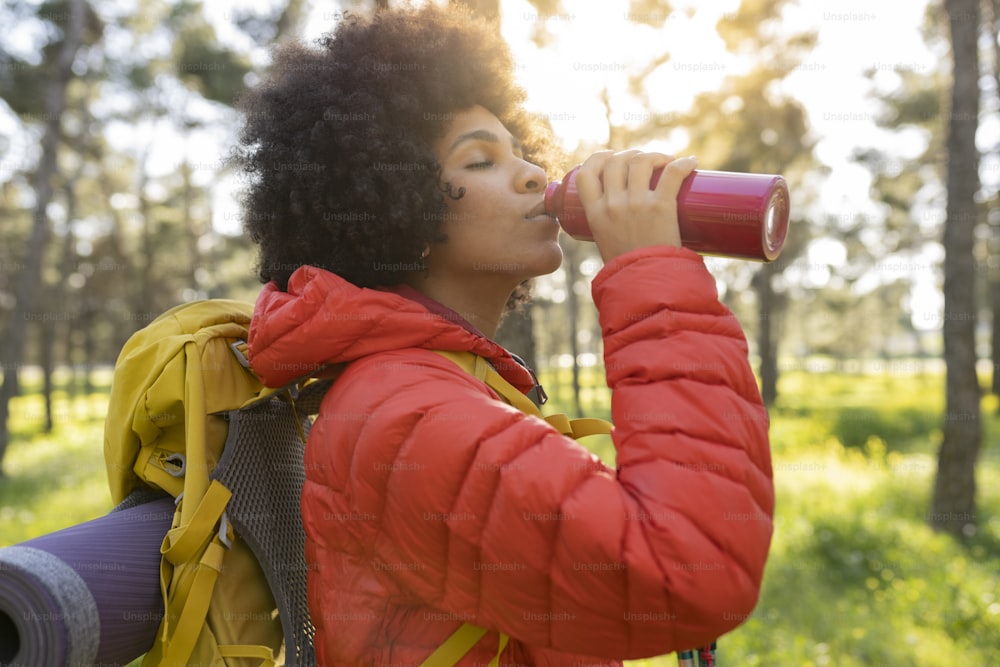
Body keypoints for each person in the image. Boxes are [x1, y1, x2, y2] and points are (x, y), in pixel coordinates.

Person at [235, 4, 774, 666]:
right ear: (390, 198)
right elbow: (688, 572)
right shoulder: (400, 413)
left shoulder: (439, 386)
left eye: (521, 152)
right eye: (482, 160)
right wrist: (652, 280)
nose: (532, 176)